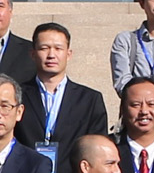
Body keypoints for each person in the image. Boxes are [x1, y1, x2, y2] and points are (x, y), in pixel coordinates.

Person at [19, 23, 109, 156]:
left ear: (68, 54)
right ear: (33, 54)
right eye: (44, 48)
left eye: (58, 48)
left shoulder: (89, 99)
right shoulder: (17, 95)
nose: (51, 55)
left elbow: (96, 147)